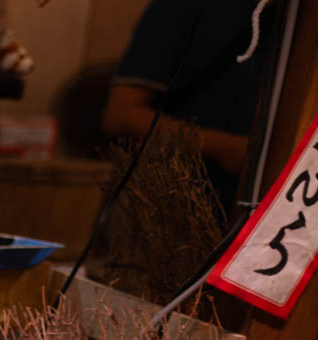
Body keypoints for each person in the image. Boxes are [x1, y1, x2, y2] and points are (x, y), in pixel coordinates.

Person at [101, 0, 269, 202]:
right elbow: (120, 115)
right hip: (170, 201)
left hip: (253, 206)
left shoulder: (295, 18)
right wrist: (224, 148)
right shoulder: (183, 6)